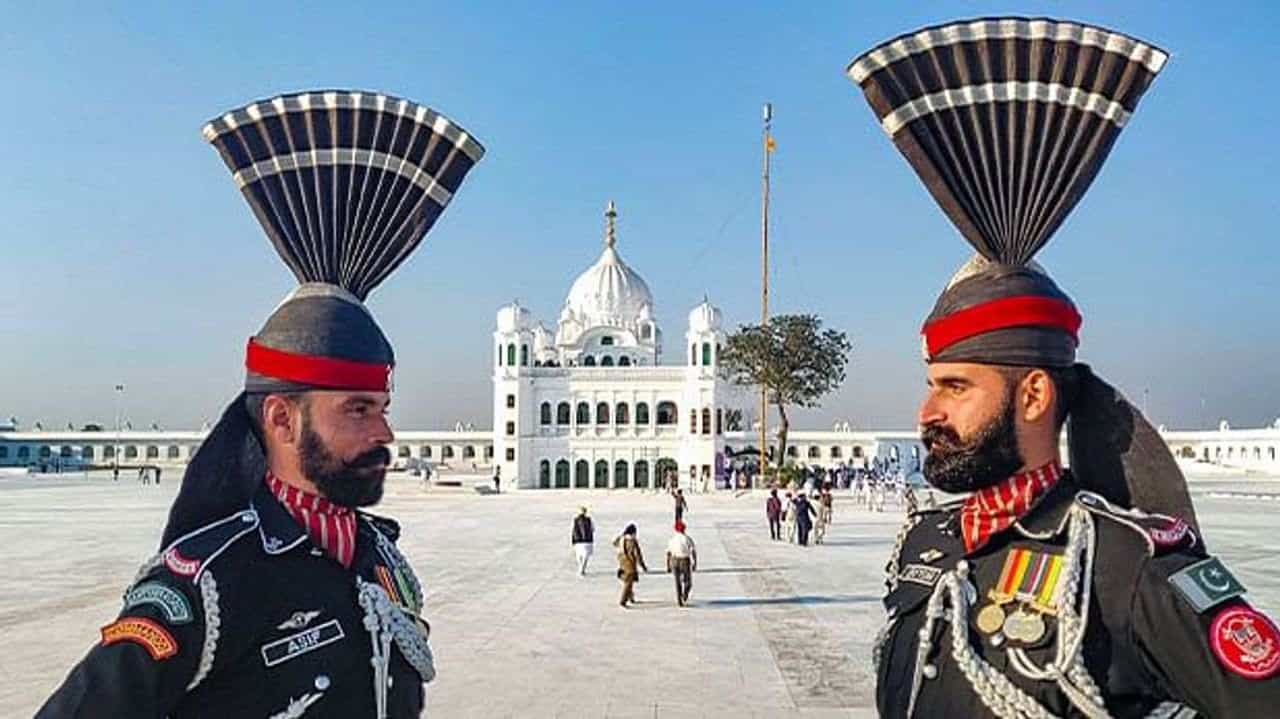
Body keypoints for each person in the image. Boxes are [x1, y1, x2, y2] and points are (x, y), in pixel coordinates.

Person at [847, 20, 1280, 717]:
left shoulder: (1127, 568)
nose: (927, 413)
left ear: (1034, 394)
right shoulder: (929, 542)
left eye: (955, 387)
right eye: (931, 386)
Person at [37, 90, 485, 718]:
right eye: (358, 410)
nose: (385, 431)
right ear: (281, 419)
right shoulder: (211, 584)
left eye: (383, 407)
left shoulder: (379, 557)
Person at [614, 524, 647, 607]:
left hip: (622, 562)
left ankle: (631, 597)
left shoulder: (621, 539)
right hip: (630, 563)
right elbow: (638, 554)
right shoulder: (632, 542)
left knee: (628, 581)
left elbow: (614, 543)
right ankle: (623, 601)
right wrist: (642, 565)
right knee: (628, 583)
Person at [666, 521, 697, 607]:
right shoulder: (687, 539)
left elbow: (668, 553)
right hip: (684, 560)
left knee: (677, 581)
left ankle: (679, 599)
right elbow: (693, 551)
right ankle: (684, 595)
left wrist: (668, 565)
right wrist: (695, 562)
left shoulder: (672, 539)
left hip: (674, 560)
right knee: (688, 582)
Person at [571, 506, 594, 576]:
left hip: (578, 540)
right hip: (587, 540)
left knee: (579, 556)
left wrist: (573, 540)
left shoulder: (575, 520)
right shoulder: (589, 520)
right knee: (585, 557)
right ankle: (582, 569)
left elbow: (573, 530)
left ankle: (580, 568)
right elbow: (593, 529)